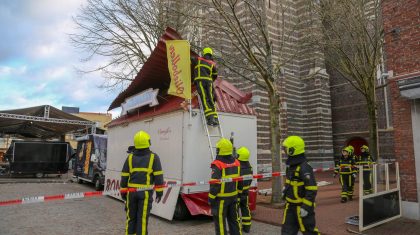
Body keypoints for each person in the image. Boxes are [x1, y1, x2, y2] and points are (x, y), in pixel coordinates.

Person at [120, 131, 164, 235]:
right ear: (148, 142)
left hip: (131, 193)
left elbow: (124, 176)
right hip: (145, 193)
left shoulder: (130, 157)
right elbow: (158, 177)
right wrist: (159, 192)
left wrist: (123, 192)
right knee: (142, 220)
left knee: (131, 218)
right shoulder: (154, 157)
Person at [281, 136, 320, 235]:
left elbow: (312, 189)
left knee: (309, 232)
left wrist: (306, 207)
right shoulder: (290, 166)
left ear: (292, 150)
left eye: (286, 148)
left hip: (301, 207)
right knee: (286, 231)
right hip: (290, 206)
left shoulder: (304, 167)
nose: (284, 151)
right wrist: (285, 190)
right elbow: (291, 182)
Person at [209, 138, 242, 235]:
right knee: (234, 222)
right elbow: (240, 181)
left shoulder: (218, 164)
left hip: (221, 200)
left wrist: (211, 198)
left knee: (220, 224)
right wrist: (239, 194)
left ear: (220, 150)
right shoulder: (237, 162)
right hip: (234, 198)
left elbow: (215, 184)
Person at [192, 47, 219, 126]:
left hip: (200, 81)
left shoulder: (198, 59)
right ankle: (215, 117)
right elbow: (215, 76)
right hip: (209, 83)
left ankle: (210, 119)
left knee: (204, 99)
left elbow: (189, 58)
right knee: (210, 99)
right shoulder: (212, 64)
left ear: (204, 53)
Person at [236, 147, 253, 233]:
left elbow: (237, 182)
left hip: (238, 193)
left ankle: (237, 228)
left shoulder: (238, 167)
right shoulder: (250, 167)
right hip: (246, 193)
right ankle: (247, 227)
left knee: (235, 211)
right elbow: (250, 180)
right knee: (245, 208)